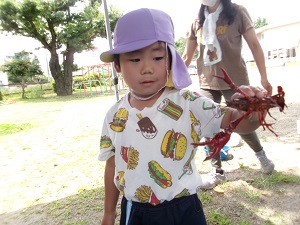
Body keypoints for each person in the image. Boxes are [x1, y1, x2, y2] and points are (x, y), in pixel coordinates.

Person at [98, 8, 269, 225]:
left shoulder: (189, 102)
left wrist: (249, 110)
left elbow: (234, 121)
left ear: (171, 60)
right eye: (134, 59)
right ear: (117, 66)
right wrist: (108, 213)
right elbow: (112, 165)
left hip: (184, 209)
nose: (147, 68)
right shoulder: (115, 115)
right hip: (135, 211)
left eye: (158, 57)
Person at [182, 0, 275, 190]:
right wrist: (169, 83)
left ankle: (261, 155)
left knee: (242, 124)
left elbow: (255, 46)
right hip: (207, 82)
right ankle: (217, 171)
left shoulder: (237, 12)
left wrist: (264, 78)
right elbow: (186, 57)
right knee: (209, 126)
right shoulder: (197, 22)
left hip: (236, 81)